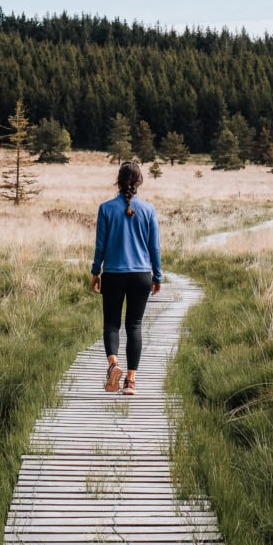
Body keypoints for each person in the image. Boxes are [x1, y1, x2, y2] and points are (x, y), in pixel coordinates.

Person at [91, 161, 162, 395]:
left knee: (111, 323)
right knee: (134, 325)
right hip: (141, 275)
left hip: (113, 274)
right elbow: (155, 248)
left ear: (118, 181)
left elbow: (100, 245)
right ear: (139, 181)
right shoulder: (149, 210)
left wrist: (95, 272)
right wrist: (157, 276)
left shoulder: (106, 208)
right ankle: (130, 382)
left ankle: (113, 364)